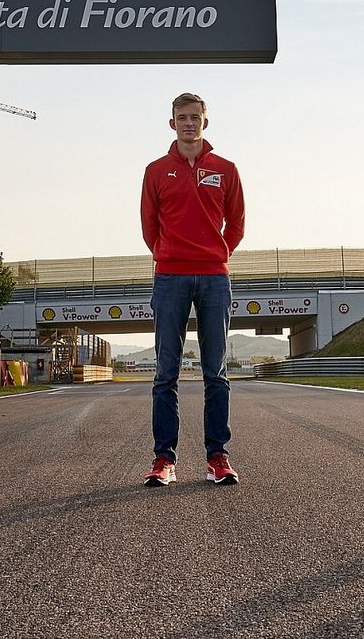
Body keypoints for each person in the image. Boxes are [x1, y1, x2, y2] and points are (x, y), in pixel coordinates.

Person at [140, 92, 245, 486]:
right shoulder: (154, 171)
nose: (188, 123)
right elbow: (150, 226)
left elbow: (235, 224)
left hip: (215, 278)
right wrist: (169, 256)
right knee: (166, 373)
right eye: (182, 117)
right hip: (170, 277)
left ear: (205, 122)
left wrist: (216, 255)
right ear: (172, 123)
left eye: (195, 117)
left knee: (215, 372)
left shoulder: (226, 169)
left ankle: (218, 456)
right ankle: (163, 460)